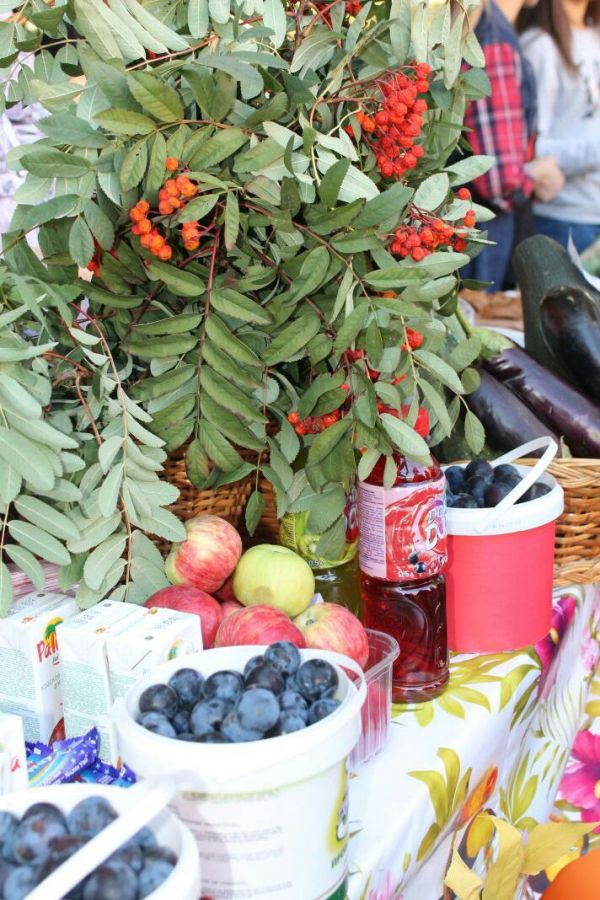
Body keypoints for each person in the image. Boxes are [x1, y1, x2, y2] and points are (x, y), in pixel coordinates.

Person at [461, 0, 564, 290]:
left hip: (469, 231)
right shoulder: (494, 42)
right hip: (479, 238)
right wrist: (537, 175)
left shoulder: (485, 29)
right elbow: (500, 181)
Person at [518, 0, 600, 253]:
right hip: (565, 218)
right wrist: (594, 150)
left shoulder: (593, 34)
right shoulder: (540, 45)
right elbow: (531, 148)